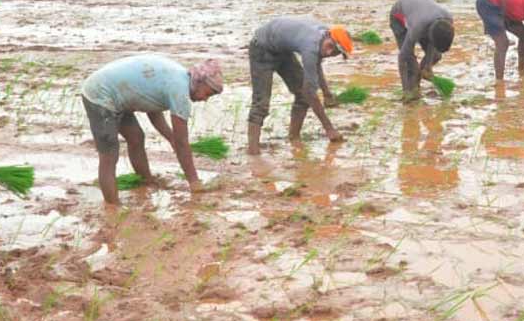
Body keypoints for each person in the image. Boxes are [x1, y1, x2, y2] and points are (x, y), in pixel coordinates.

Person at [81, 55, 224, 204]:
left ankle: (145, 182)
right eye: (207, 93)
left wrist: (170, 138)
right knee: (109, 155)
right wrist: (194, 182)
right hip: (99, 94)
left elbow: (153, 107)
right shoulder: (180, 92)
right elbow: (182, 143)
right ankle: (112, 207)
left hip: (116, 93)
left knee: (136, 138)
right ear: (199, 82)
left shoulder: (178, 78)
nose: (205, 99)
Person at [247, 17, 353, 154]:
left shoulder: (322, 38)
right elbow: (310, 92)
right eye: (329, 47)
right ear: (328, 36)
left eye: (334, 52)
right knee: (261, 103)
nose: (328, 52)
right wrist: (329, 128)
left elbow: (316, 65)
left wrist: (327, 94)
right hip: (261, 48)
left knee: (302, 97)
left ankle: (294, 138)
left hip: (282, 50)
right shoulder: (311, 46)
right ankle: (253, 153)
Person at [389, 0, 455, 102]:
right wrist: (405, 91)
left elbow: (434, 45)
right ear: (429, 35)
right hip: (398, 17)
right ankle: (411, 90)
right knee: (410, 62)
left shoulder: (448, 20)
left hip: (422, 14)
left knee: (437, 56)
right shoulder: (417, 27)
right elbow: (402, 58)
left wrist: (428, 65)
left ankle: (418, 82)